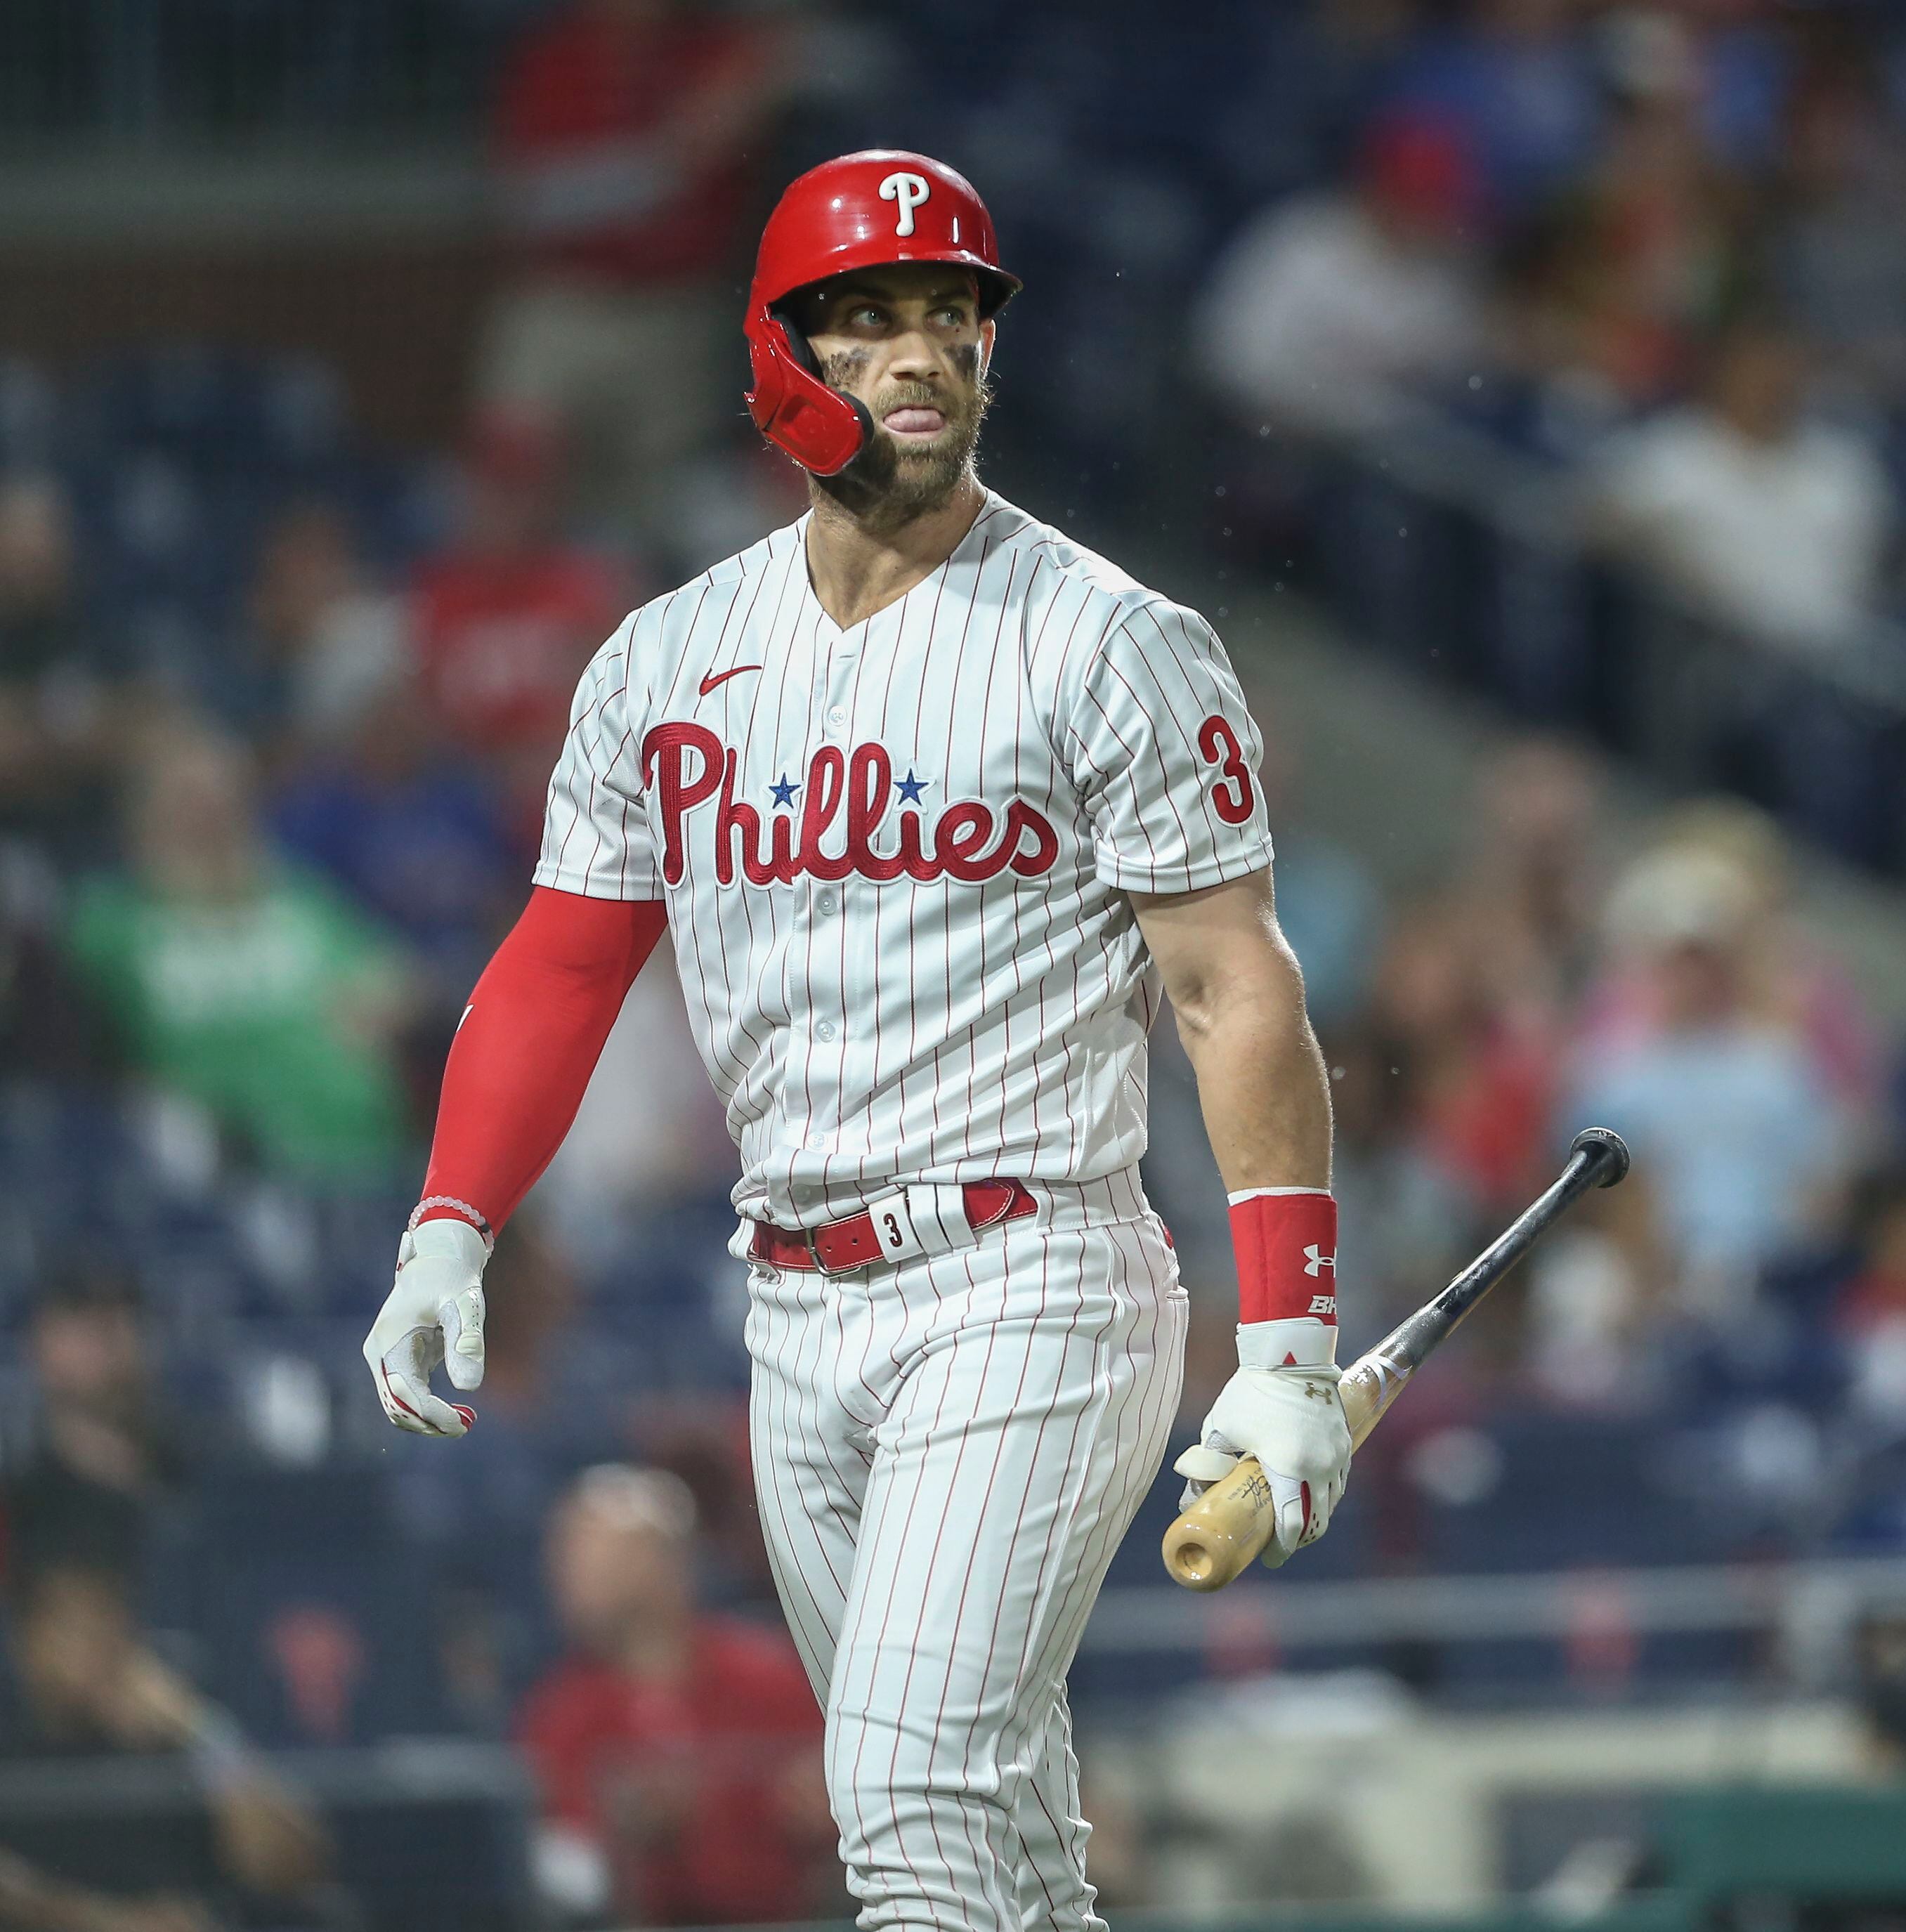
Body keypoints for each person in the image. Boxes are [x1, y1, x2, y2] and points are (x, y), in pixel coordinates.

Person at [365, 150, 1353, 1931]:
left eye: (949, 315)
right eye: (868, 314)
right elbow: (565, 960)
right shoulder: (667, 656)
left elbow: (1229, 982)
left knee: (897, 1795)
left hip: (1025, 1265)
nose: (920, 351)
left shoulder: (1111, 641)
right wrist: (452, 1217)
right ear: (777, 351)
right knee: (999, 1849)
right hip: (795, 1300)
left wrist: (1285, 1333)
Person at [66, 727, 416, 1182]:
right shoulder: (112, 918)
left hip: (362, 1150)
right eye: (190, 799)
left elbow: (394, 979)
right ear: (144, 815)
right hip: (231, 1169)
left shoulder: (297, 898)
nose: (213, 815)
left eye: (225, 797)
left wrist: (381, 1004)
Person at [518, 1466, 834, 1925]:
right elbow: (562, 1870)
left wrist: (826, 1811)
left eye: (603, 1556)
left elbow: (839, 1807)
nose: (573, 1576)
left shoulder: (771, 1679)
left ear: (670, 1560)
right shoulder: (559, 1713)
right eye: (568, 1557)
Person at [1589, 316, 1896, 651]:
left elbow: (1878, 568)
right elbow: (1593, 527)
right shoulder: (1670, 451)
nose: (1774, 382)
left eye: (1786, 367)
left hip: (1833, 668)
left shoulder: (1842, 466)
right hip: (1707, 660)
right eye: (1758, 368)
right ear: (1725, 373)